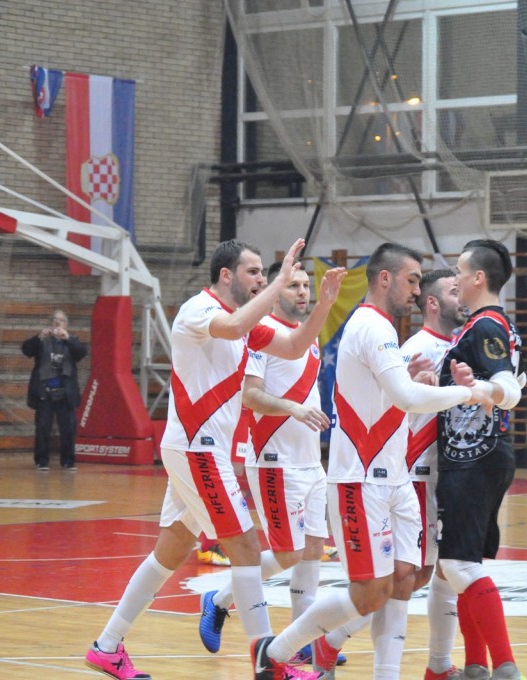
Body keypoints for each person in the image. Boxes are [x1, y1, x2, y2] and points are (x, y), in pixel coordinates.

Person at [84, 238, 345, 680]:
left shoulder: (246, 322)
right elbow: (233, 326)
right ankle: (270, 664)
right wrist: (279, 283)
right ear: (227, 276)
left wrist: (324, 305)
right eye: (254, 272)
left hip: (202, 451)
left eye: (265, 273)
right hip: (197, 449)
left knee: (170, 551)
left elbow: (297, 346)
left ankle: (106, 647)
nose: (263, 279)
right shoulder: (198, 310)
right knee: (244, 547)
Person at [250, 243, 493, 680]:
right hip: (360, 479)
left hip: (393, 479)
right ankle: (276, 650)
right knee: (370, 591)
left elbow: (392, 401)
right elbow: (407, 398)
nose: (417, 292)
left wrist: (413, 383)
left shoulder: (383, 330)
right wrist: (470, 392)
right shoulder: (370, 325)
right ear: (386, 279)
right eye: (412, 280)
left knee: (403, 580)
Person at [198, 260, 346, 667]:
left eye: (306, 286)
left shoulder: (307, 339)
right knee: (287, 555)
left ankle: (304, 637)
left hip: (310, 461)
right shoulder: (260, 339)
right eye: (294, 285)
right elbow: (251, 395)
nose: (302, 292)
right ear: (275, 291)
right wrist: (293, 410)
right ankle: (220, 598)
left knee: (313, 549)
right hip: (275, 462)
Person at [435, 239, 526, 680]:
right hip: (481, 454)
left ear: (478, 278)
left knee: (455, 564)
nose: (453, 278)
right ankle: (474, 667)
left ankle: (506, 667)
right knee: (460, 564)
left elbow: (507, 385)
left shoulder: (486, 326)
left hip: (474, 457)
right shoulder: (489, 326)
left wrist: (485, 390)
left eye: (457, 270)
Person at [400, 269, 468, 680]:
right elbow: (392, 409)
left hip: (448, 473)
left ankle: (439, 667)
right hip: (417, 471)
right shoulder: (415, 348)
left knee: (444, 567)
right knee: (411, 575)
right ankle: (329, 640)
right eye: (452, 291)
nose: (460, 297)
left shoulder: (460, 343)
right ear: (431, 302)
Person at [21, 310, 87, 471]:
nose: (58, 323)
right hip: (45, 391)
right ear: (50, 323)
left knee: (68, 429)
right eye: (55, 320)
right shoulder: (43, 341)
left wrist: (68, 339)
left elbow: (82, 352)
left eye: (61, 320)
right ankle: (42, 460)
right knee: (43, 427)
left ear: (66, 324)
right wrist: (39, 337)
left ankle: (68, 460)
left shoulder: (72, 341)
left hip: (65, 393)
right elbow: (26, 350)